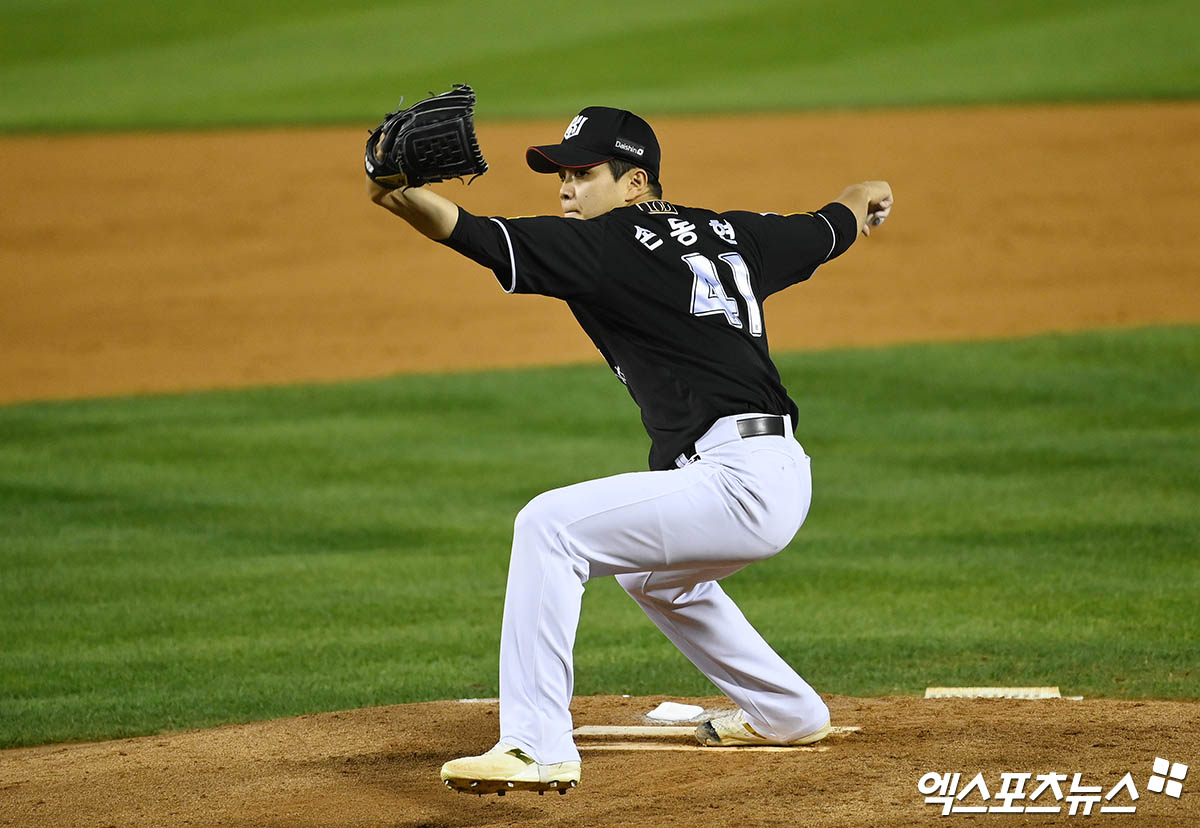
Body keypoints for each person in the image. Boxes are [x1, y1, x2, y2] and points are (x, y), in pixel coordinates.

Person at [366, 105, 893, 796]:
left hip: (738, 483)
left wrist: (393, 191)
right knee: (654, 577)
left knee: (547, 526)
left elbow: (471, 233)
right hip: (774, 473)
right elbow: (836, 221)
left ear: (635, 181)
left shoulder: (606, 246)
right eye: (560, 174)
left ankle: (535, 747)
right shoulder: (736, 234)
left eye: (582, 174)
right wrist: (872, 195)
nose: (565, 189)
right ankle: (789, 714)